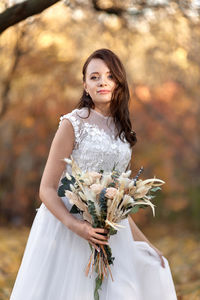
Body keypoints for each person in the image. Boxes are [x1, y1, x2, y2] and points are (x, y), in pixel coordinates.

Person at [10, 48, 177, 300]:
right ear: (85, 85)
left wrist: (148, 245)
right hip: (67, 231)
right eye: (95, 77)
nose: (103, 82)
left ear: (119, 82)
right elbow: (46, 188)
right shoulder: (72, 123)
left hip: (110, 234)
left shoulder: (123, 132)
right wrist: (77, 226)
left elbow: (117, 205)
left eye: (110, 76)